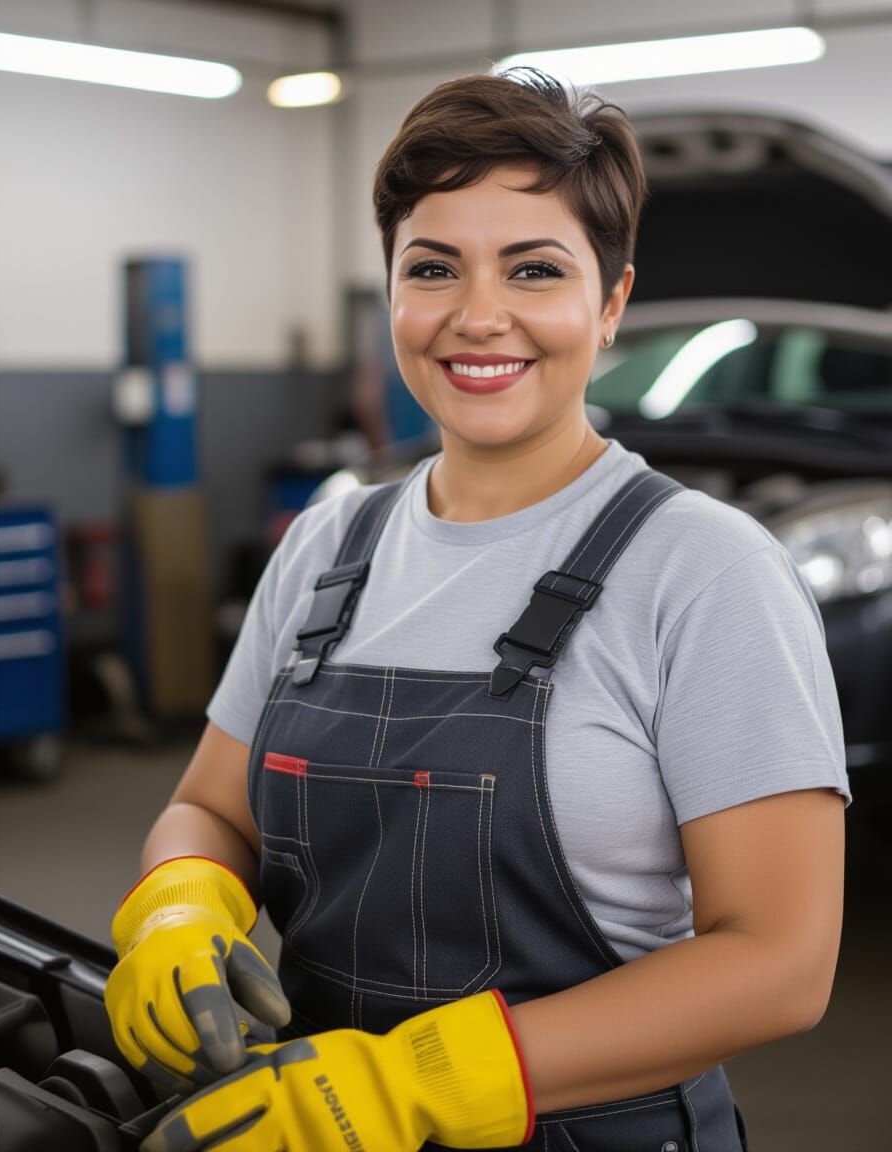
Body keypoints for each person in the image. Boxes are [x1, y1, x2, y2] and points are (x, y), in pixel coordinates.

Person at [105, 69, 850, 1152]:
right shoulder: (327, 546)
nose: (476, 314)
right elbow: (212, 811)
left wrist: (409, 1084)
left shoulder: (702, 569)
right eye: (433, 268)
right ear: (393, 297)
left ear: (608, 306)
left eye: (534, 269)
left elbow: (776, 964)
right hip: (301, 1125)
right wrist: (179, 902)